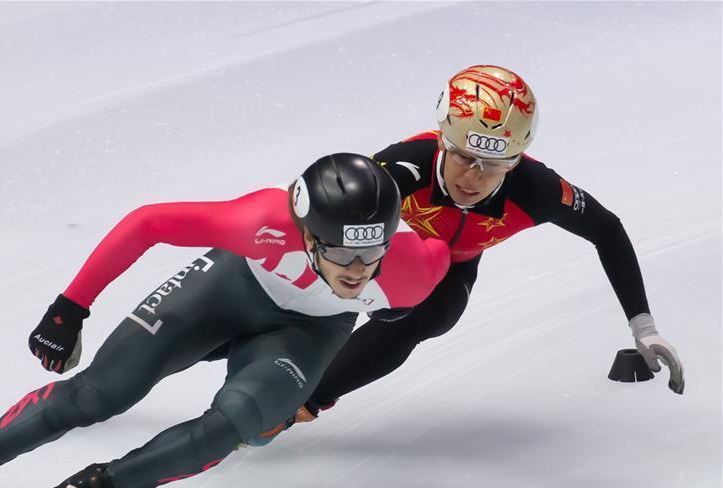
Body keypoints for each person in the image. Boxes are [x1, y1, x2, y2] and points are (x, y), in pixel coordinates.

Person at [0, 154, 449, 488]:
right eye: (341, 253)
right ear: (304, 233)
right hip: (231, 286)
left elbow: (443, 265)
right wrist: (70, 307)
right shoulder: (260, 220)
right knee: (100, 393)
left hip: (306, 332)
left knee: (236, 424)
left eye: (371, 253)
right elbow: (149, 223)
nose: (357, 270)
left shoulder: (411, 273)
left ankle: (101, 487)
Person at [291, 65, 684, 425]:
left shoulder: (536, 190)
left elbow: (607, 230)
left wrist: (644, 326)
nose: (473, 178)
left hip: (449, 265)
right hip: (375, 248)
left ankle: (303, 403)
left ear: (515, 161)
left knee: (431, 314)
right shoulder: (402, 167)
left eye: (494, 165)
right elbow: (313, 210)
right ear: (443, 140)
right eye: (463, 157)